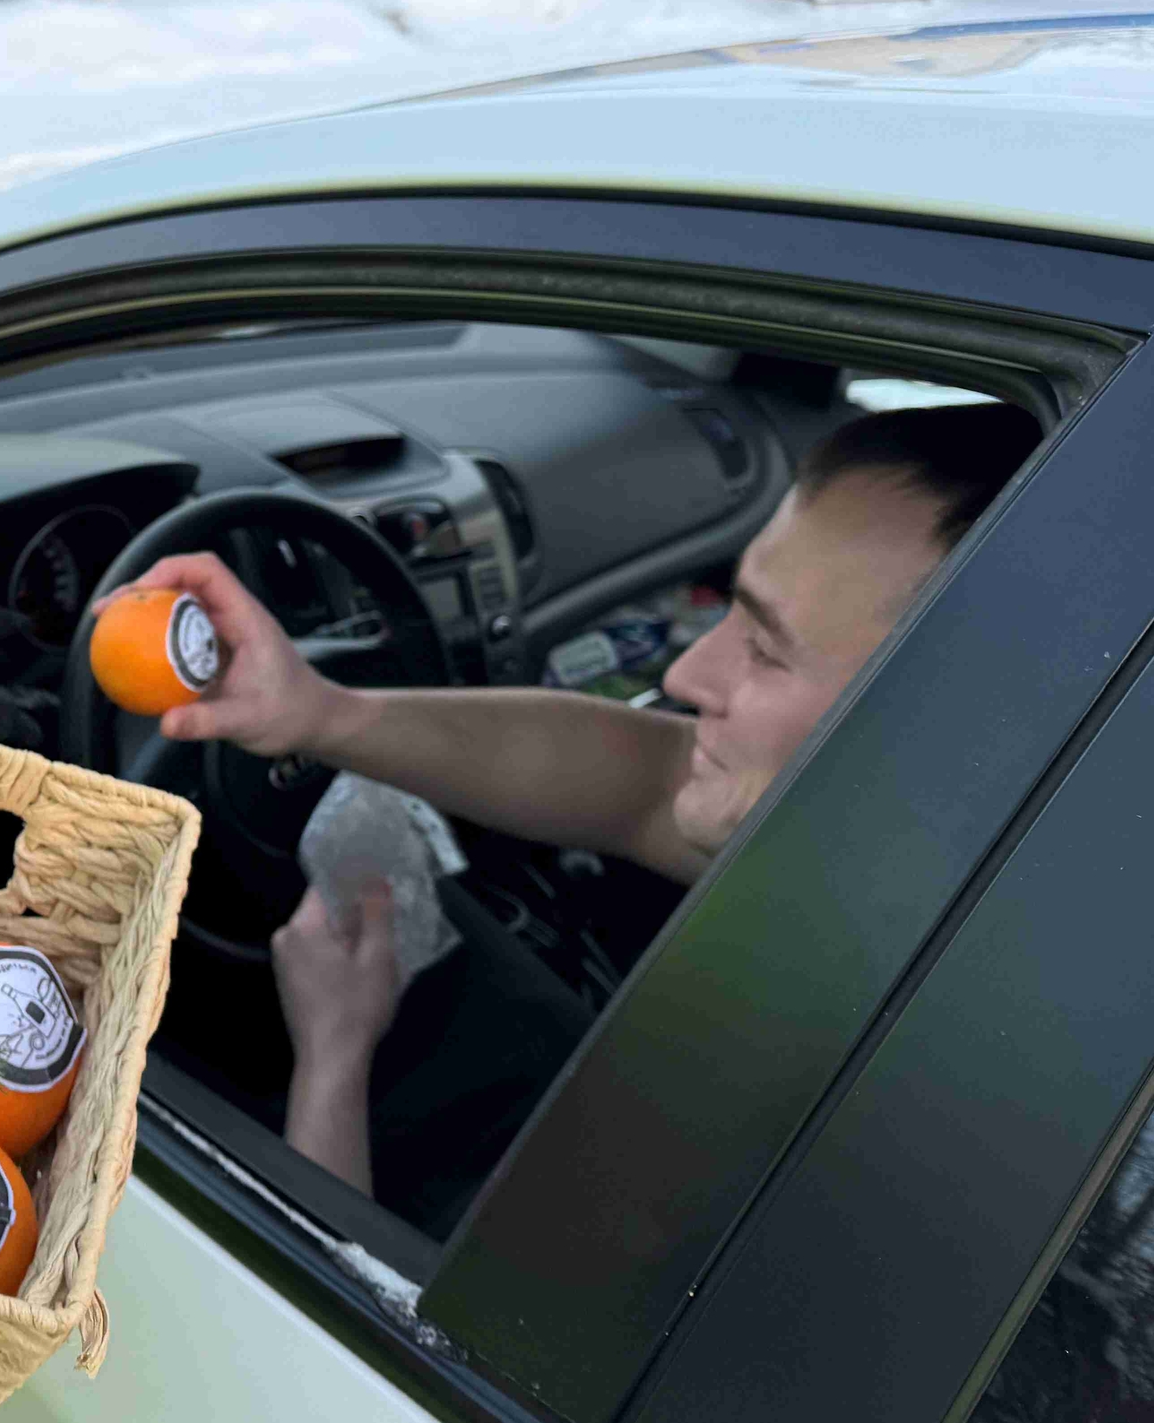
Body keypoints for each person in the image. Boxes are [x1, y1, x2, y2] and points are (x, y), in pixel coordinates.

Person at [110, 404, 1041, 1221]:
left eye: (765, 649)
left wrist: (332, 1060)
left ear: (934, 740)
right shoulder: (913, 875)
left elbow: (376, 1377)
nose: (684, 676)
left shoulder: (843, 1135)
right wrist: (322, 716)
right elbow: (647, 783)